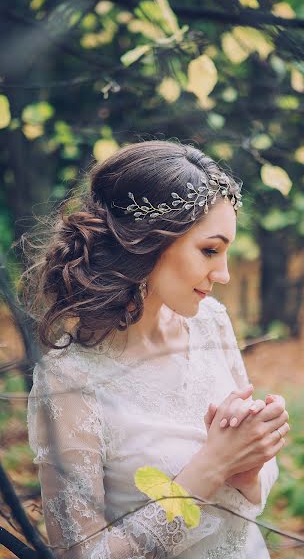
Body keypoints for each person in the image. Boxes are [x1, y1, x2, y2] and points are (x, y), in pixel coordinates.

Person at [25, 141, 289, 559]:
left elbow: (249, 492)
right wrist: (211, 467)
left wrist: (249, 466)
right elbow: (80, 555)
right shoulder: (69, 381)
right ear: (146, 242)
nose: (223, 274)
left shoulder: (210, 322)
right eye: (210, 250)